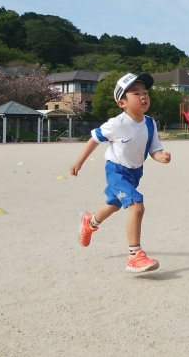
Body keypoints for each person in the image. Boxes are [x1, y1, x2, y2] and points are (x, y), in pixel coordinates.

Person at [70, 73, 172, 273]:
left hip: (135, 172)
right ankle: (135, 255)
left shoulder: (150, 123)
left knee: (114, 204)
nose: (143, 96)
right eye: (136, 93)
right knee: (137, 206)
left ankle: (89, 222)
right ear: (121, 103)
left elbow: (154, 149)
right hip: (116, 171)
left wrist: (161, 157)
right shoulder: (116, 123)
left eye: (145, 92)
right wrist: (79, 162)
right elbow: (94, 139)